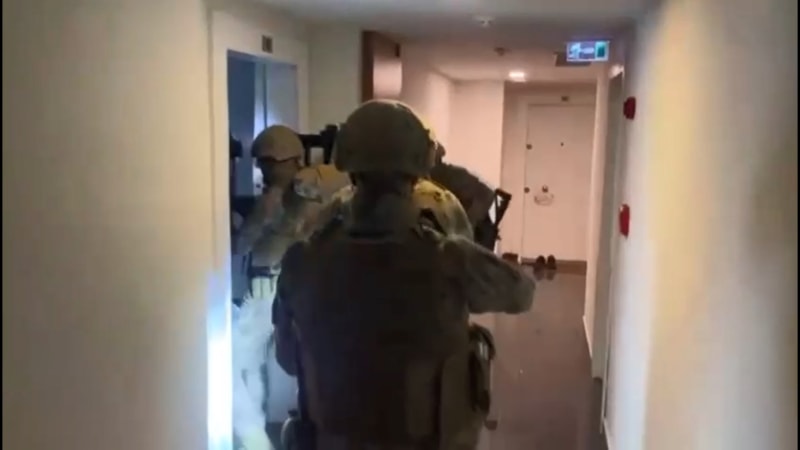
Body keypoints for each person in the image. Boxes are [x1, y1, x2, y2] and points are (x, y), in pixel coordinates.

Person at [274, 100, 536, 450]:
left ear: (349, 169)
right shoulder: (450, 258)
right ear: (417, 174)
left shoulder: (302, 260)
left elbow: (288, 361)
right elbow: (522, 294)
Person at [231, 124, 350, 450]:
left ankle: (256, 441)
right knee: (301, 364)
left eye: (265, 164)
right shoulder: (318, 191)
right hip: (298, 288)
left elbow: (241, 245)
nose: (263, 171)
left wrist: (257, 213)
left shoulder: (280, 199)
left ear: (279, 161)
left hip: (267, 288)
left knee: (237, 365)